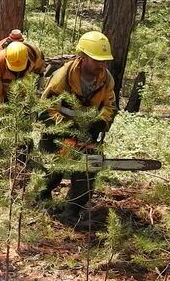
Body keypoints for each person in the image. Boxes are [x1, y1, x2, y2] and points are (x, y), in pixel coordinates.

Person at [38, 31, 116, 224]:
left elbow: (110, 106)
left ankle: (72, 210)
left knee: (90, 167)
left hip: (87, 134)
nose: (102, 64)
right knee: (50, 168)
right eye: (97, 59)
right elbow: (45, 109)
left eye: (104, 60)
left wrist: (100, 123)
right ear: (83, 57)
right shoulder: (62, 77)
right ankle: (41, 197)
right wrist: (64, 129)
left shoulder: (106, 80)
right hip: (58, 131)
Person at [0, 39, 45, 155]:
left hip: (24, 92)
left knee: (25, 121)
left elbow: (40, 69)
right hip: (0, 90)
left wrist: (40, 84)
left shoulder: (34, 53)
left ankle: (23, 156)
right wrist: (2, 117)